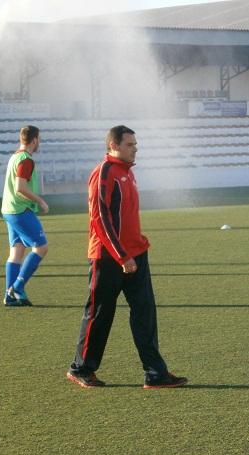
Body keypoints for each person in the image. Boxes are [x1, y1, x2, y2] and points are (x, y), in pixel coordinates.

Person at [66, 125, 187, 389]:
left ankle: (155, 373)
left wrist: (134, 252)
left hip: (136, 254)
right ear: (114, 146)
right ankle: (81, 368)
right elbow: (99, 218)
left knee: (145, 313)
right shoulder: (104, 173)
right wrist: (121, 255)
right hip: (109, 258)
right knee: (100, 313)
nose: (135, 148)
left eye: (135, 144)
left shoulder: (127, 174)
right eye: (130, 144)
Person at [1, 125, 49, 306]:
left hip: (8, 209)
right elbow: (20, 187)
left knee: (17, 252)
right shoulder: (26, 160)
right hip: (20, 210)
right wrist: (40, 201)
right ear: (35, 139)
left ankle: (9, 296)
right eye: (39, 139)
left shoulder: (15, 156)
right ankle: (18, 287)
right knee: (41, 248)